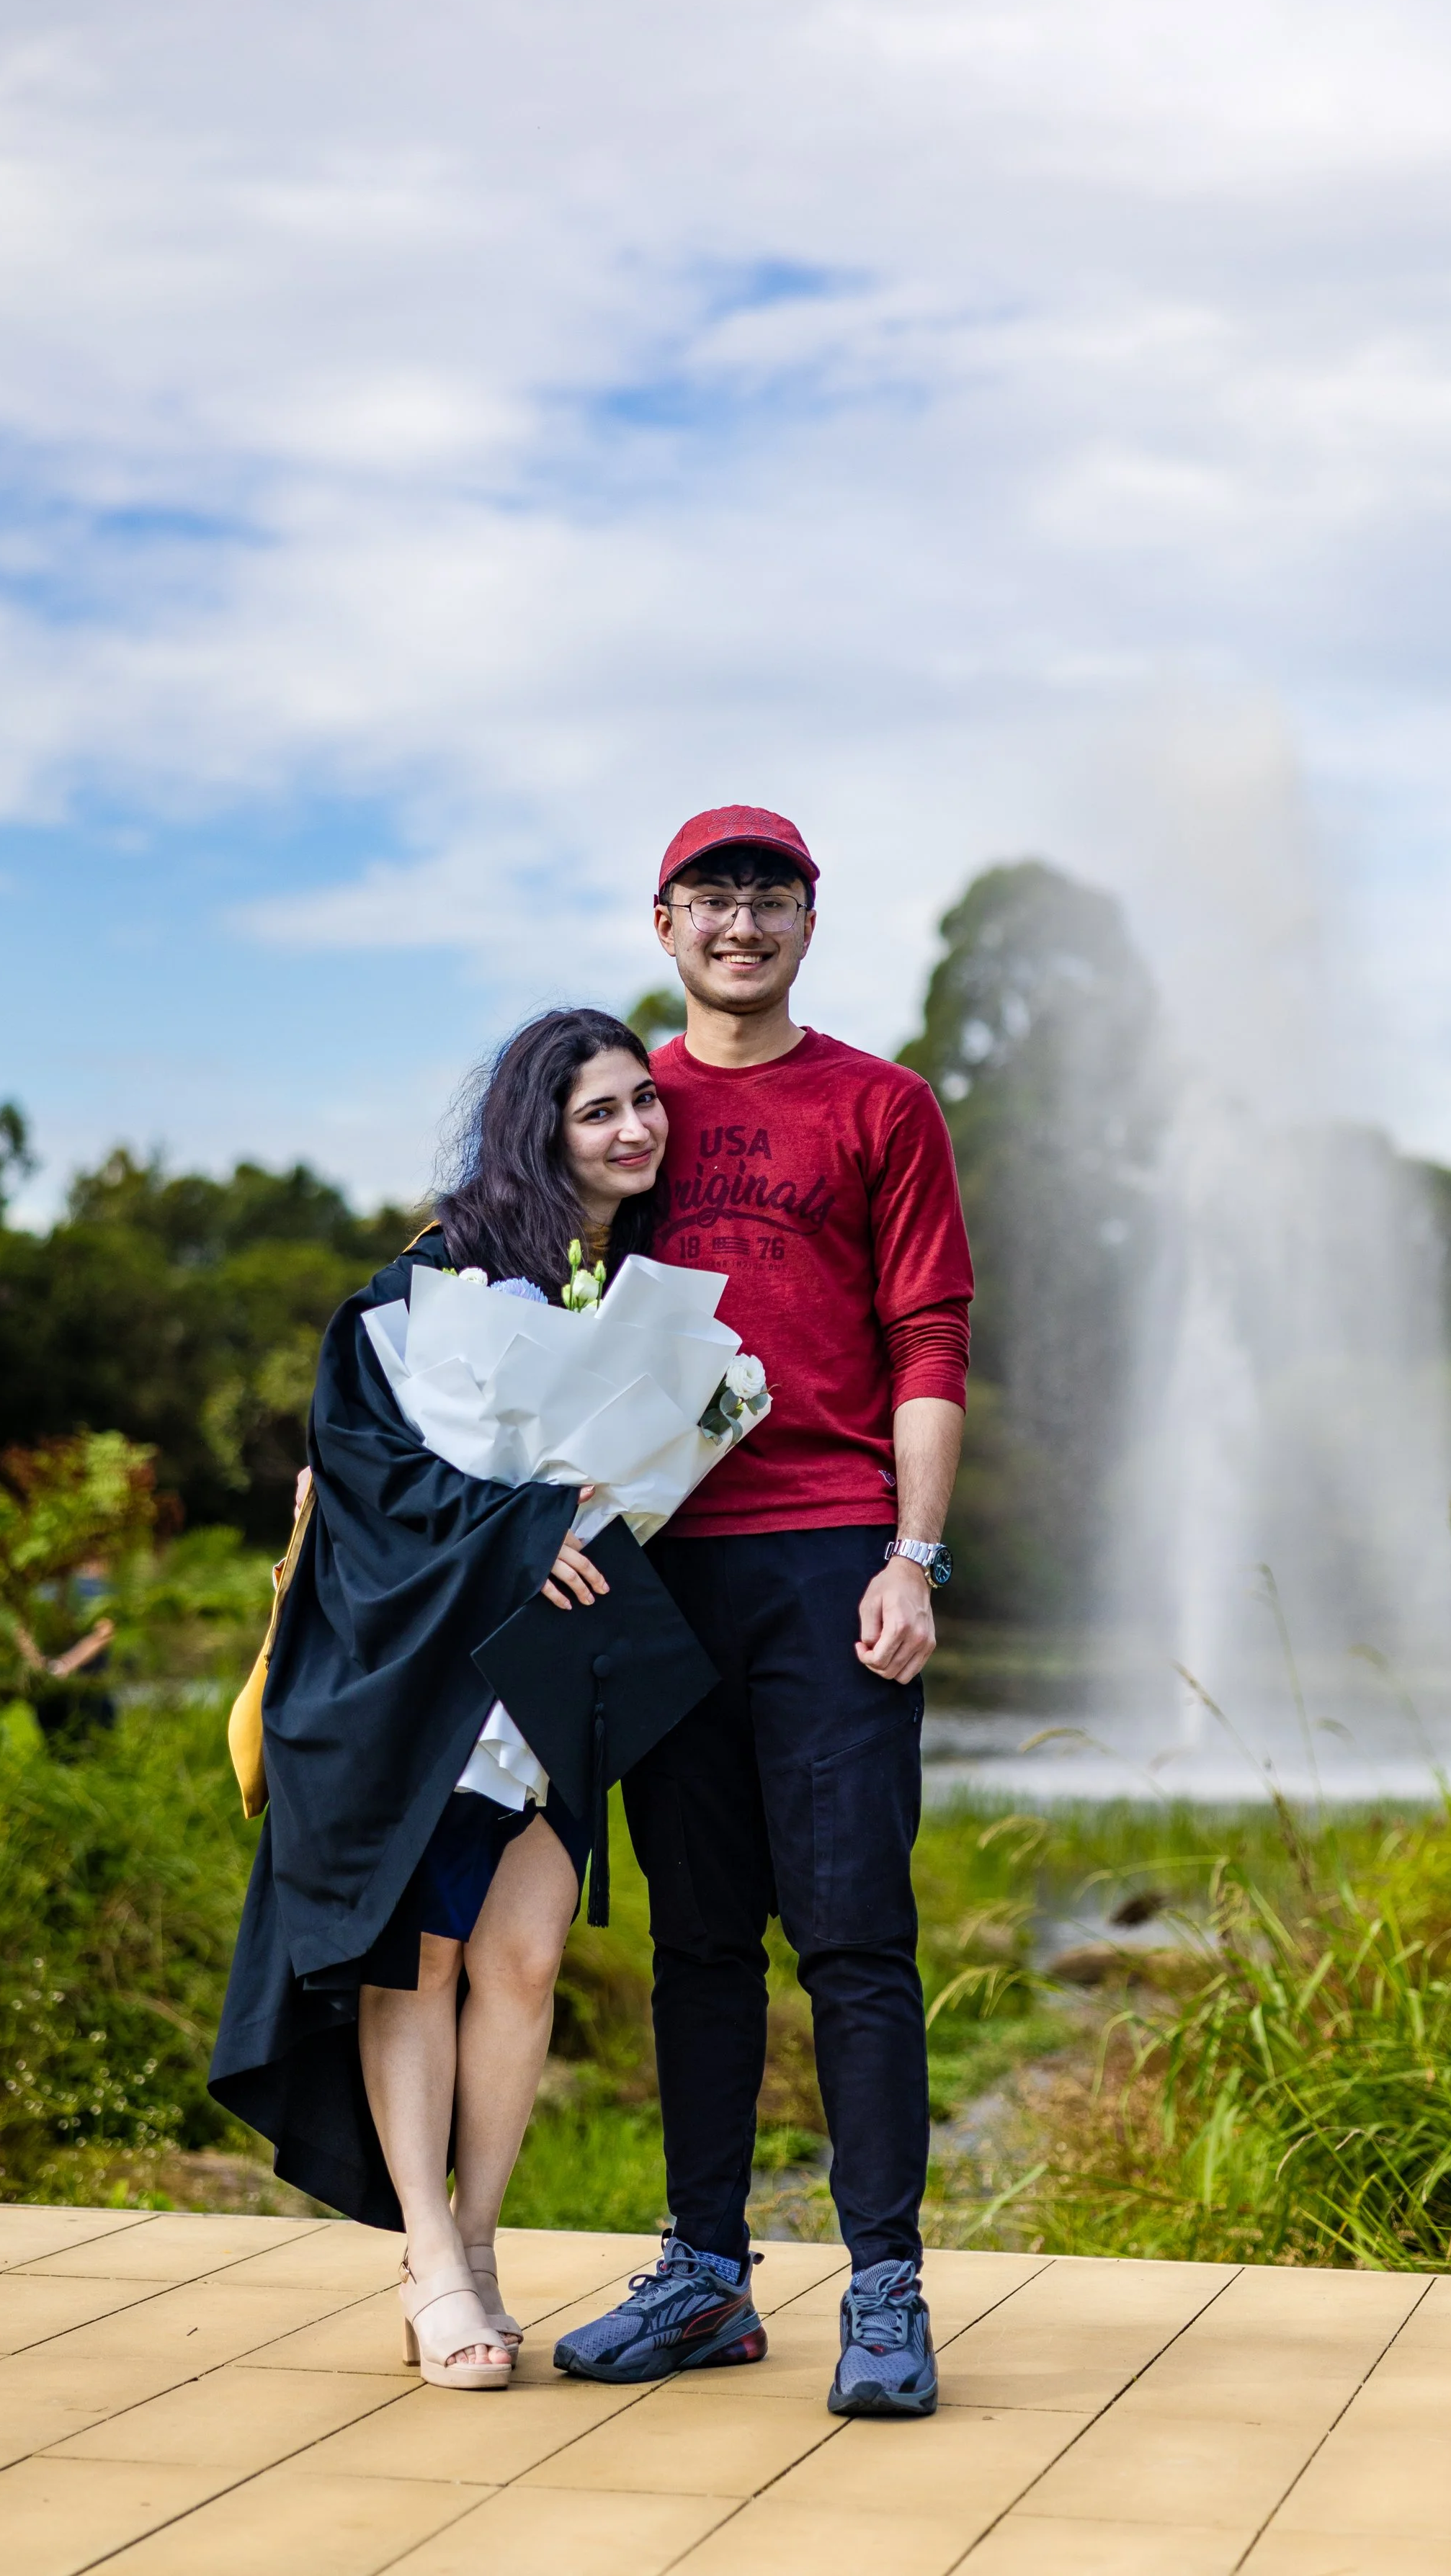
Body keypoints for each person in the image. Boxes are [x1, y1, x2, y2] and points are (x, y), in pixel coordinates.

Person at [555, 808, 972, 2419]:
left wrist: (909, 1555)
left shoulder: (880, 1104)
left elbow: (927, 1336)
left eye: (769, 895)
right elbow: (514, 1291)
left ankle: (883, 2289)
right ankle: (706, 2279)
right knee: (697, 1939)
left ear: (808, 919)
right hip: (654, 1565)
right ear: (663, 922)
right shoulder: (618, 1109)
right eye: (713, 895)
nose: (741, 920)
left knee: (854, 1933)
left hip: (826, 1553)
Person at [210, 1009, 668, 2390]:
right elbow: (367, 1475)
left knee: (522, 1957)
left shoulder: (636, 1283)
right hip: (433, 1682)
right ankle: (428, 2260)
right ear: (541, 1124)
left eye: (646, 1101)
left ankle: (478, 2243)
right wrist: (534, 1531)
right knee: (421, 1956)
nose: (635, 1127)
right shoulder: (430, 1282)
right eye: (600, 1111)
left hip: (559, 1667)